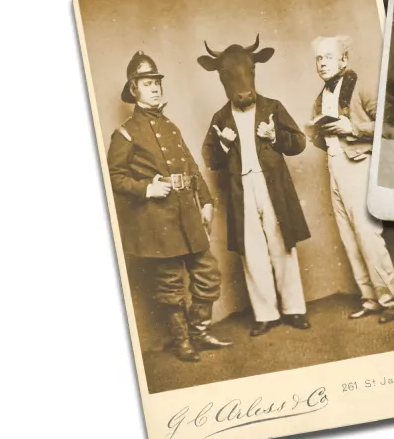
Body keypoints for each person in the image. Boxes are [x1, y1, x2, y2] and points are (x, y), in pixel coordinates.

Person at [106, 51, 232, 362]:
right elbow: (114, 177)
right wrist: (147, 188)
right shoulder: (125, 133)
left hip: (187, 216)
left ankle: (200, 331)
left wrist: (205, 201)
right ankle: (182, 342)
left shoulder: (170, 126)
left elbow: (190, 167)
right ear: (134, 90)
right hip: (157, 221)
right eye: (147, 84)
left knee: (208, 274)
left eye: (157, 83)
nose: (155, 88)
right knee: (171, 285)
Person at [199, 36, 312, 337]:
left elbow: (299, 143)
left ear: (253, 71)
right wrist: (223, 145)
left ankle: (295, 309)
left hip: (271, 187)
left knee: (282, 245)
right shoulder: (220, 118)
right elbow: (210, 158)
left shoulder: (272, 108)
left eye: (246, 72)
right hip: (241, 192)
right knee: (252, 251)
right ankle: (265, 314)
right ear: (222, 78)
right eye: (231, 75)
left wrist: (275, 136)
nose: (242, 83)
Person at [306, 35, 394, 323]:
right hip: (334, 167)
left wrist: (352, 127)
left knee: (367, 235)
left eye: (328, 56)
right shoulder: (320, 97)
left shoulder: (359, 85)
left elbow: (387, 124)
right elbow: (324, 139)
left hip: (358, 166)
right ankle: (370, 299)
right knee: (349, 239)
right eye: (318, 58)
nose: (322, 62)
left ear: (343, 60)